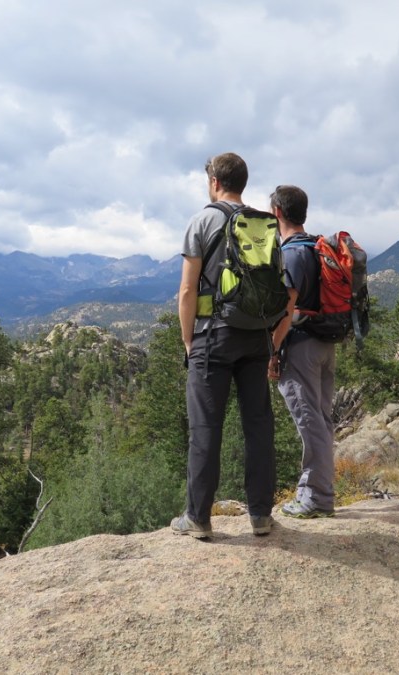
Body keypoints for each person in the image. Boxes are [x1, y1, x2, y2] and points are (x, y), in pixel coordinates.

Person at [170, 152, 278, 539]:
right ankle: (261, 516)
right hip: (255, 334)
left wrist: (188, 340)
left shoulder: (203, 220)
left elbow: (187, 289)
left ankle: (197, 517)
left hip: (212, 336)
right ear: (242, 183)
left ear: (215, 182)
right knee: (258, 424)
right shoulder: (264, 224)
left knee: (206, 427)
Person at [268, 184, 336, 518]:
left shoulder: (292, 253)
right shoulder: (315, 247)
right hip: (325, 344)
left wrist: (271, 351)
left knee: (309, 422)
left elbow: (286, 310)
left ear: (277, 212)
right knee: (321, 420)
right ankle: (321, 493)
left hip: (302, 349)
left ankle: (316, 499)